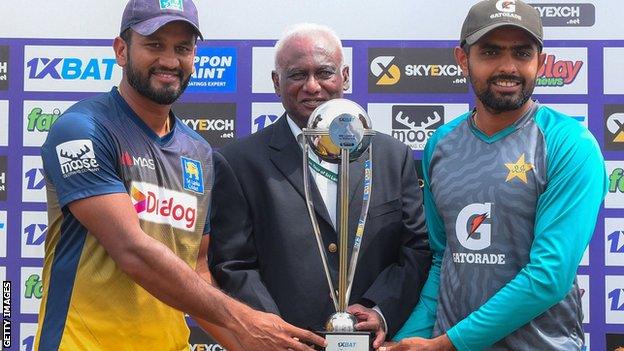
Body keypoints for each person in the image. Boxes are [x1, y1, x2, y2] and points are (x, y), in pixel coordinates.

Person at [35, 1, 326, 350]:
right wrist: (246, 318)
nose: (170, 61)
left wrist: (257, 343)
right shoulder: (82, 130)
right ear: (122, 50)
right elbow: (132, 251)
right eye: (155, 45)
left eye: (183, 48)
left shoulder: (199, 153)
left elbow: (198, 270)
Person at [386, 1, 607, 350]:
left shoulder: (570, 144)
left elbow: (548, 277)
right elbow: (445, 260)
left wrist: (446, 344)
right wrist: (406, 338)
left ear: (541, 62)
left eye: (522, 53)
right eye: (490, 52)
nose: (508, 67)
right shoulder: (441, 144)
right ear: (463, 59)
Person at [209, 23, 431, 349]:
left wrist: (382, 309)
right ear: (276, 82)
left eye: (325, 73)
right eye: (297, 75)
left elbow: (415, 249)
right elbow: (234, 263)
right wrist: (275, 330)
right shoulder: (239, 162)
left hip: (373, 343)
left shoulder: (390, 155)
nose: (312, 87)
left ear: (345, 76)